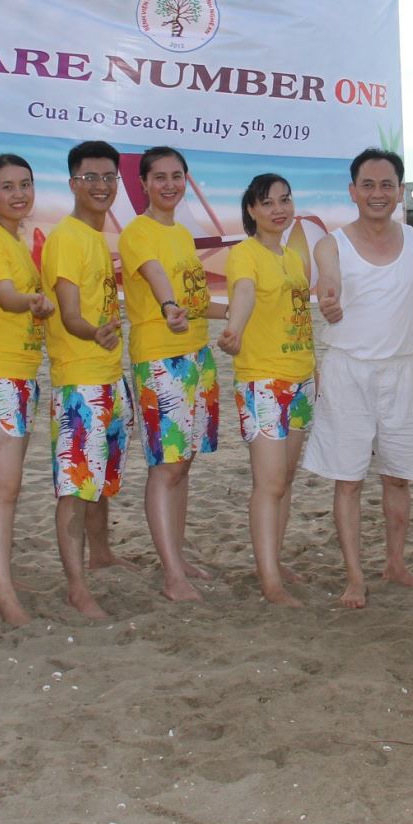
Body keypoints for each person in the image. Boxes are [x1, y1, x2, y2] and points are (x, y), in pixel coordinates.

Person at [302, 149, 413, 608]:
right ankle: (354, 576)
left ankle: (395, 563)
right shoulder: (332, 244)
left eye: (387, 185)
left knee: (398, 477)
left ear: (400, 191)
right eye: (368, 185)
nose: (378, 194)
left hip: (402, 370)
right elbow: (329, 281)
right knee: (348, 480)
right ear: (353, 191)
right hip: (347, 371)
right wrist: (330, 299)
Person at [119, 146, 226, 602]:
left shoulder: (182, 233)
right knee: (166, 466)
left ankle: (177, 558)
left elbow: (196, 301)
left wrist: (241, 311)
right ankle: (171, 575)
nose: (169, 185)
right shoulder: (138, 232)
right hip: (161, 359)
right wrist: (167, 306)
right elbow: (156, 276)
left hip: (197, 355)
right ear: (143, 183)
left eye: (177, 176)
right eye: (159, 177)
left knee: (184, 464)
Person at [41, 141, 134, 619]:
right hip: (79, 380)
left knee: (101, 478)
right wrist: (93, 333)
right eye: (90, 177)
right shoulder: (67, 237)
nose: (101, 186)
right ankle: (76, 587)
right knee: (76, 486)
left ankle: (101, 554)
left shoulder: (96, 237)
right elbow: (69, 312)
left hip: (108, 375)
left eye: (108, 177)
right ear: (73, 183)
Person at [0, 154, 55, 626]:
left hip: (20, 374)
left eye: (25, 184)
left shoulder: (15, 240)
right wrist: (32, 302)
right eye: (7, 187)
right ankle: (1, 588)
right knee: (2, 486)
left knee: (7, 486)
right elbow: (4, 297)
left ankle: (0, 576)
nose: (18, 194)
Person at [218, 173, 315, 607]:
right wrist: (235, 329)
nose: (279, 209)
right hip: (263, 382)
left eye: (285, 200)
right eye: (268, 202)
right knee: (269, 483)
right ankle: (270, 582)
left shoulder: (293, 257)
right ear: (251, 210)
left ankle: (273, 559)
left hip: (300, 380)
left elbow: (299, 316)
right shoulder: (245, 254)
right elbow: (244, 294)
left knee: (285, 480)